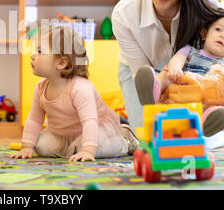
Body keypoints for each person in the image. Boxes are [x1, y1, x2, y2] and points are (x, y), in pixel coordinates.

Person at [111, 0, 224, 130]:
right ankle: (131, 130)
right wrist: (164, 97)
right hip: (143, 76)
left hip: (192, 74)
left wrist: (199, 86)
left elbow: (221, 60)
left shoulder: (208, 8)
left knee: (205, 131)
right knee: (148, 134)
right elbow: (142, 76)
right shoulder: (124, 13)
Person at [9, 25, 138, 162]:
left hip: (95, 129)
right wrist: (27, 147)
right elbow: (34, 119)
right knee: (41, 147)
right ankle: (75, 148)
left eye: (40, 51)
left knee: (99, 148)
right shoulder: (40, 88)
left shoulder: (80, 88)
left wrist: (88, 151)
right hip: (62, 134)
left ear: (61, 62)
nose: (33, 55)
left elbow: (89, 121)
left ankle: (126, 141)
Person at [135, 11, 224, 148]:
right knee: (166, 72)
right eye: (218, 29)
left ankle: (207, 122)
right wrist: (175, 68)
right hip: (179, 88)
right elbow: (178, 58)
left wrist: (199, 79)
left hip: (202, 101)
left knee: (218, 101)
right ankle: (153, 91)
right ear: (205, 33)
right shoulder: (190, 50)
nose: (223, 35)